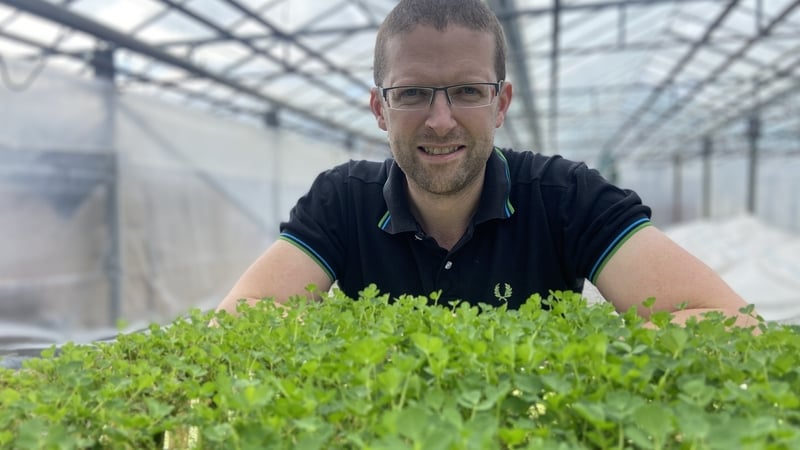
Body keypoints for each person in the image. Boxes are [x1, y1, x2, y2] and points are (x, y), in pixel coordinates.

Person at [216, 0, 757, 328]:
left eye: (468, 91)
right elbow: (242, 316)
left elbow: (726, 320)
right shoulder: (342, 199)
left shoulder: (566, 195)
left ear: (501, 103)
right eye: (412, 93)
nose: (441, 121)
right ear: (380, 109)